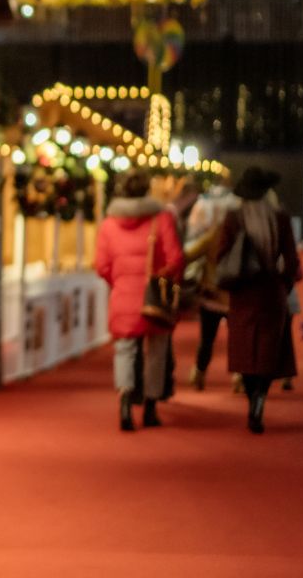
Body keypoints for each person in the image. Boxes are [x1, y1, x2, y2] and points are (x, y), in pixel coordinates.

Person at [95, 169, 184, 431]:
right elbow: (175, 258)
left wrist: (119, 282)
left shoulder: (109, 224)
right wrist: (163, 278)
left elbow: (101, 265)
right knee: (156, 351)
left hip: (123, 296)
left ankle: (124, 401)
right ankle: (150, 407)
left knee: (125, 350)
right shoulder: (161, 218)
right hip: (153, 296)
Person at [215, 167, 301, 434]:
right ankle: (261, 398)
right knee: (267, 351)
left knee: (244, 351)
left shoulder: (234, 218)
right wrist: (284, 285)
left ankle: (252, 399)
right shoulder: (280, 218)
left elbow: (221, 255)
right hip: (271, 292)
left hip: (242, 293)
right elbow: (292, 260)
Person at [184, 175, 239, 390]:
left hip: (211, 293)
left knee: (207, 339)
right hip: (234, 294)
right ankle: (239, 376)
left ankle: (199, 373)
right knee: (236, 339)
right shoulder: (242, 236)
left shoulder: (214, 234)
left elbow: (192, 253)